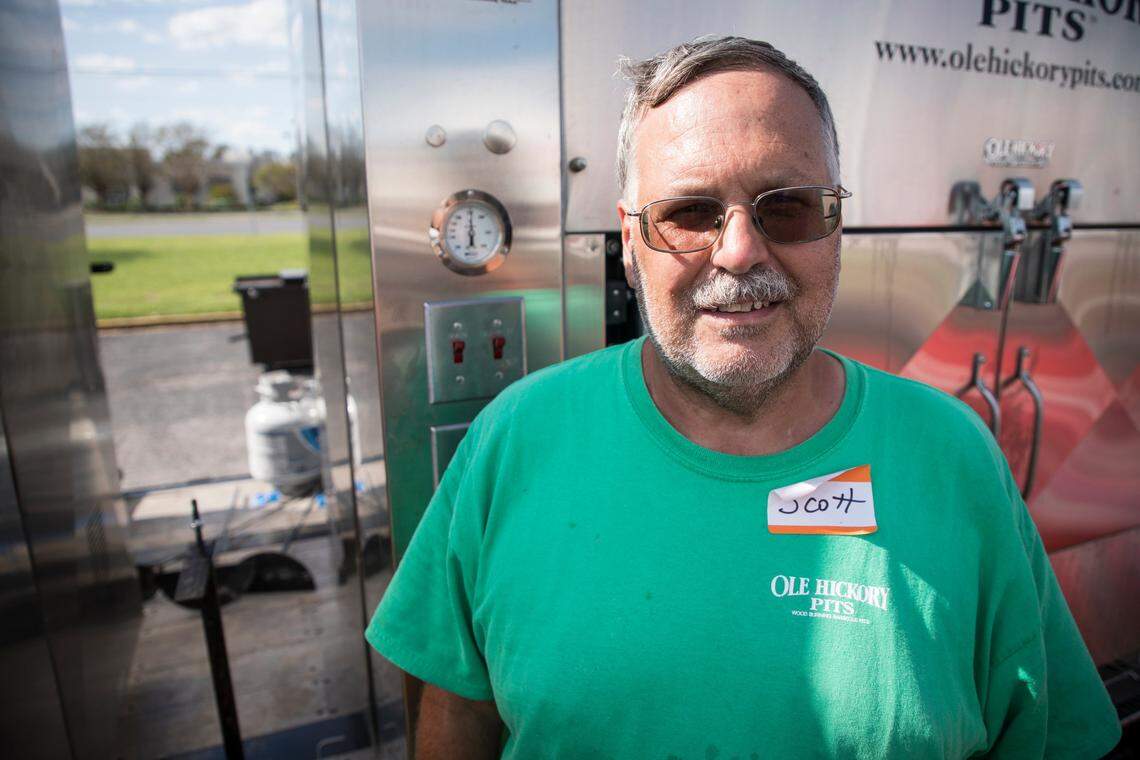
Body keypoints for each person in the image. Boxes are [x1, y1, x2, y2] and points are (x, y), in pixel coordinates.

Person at [366, 36, 1121, 758]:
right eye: (689, 213)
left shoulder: (954, 457)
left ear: (834, 225)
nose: (738, 251)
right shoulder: (514, 440)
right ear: (629, 239)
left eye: (786, 207)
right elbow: (456, 711)